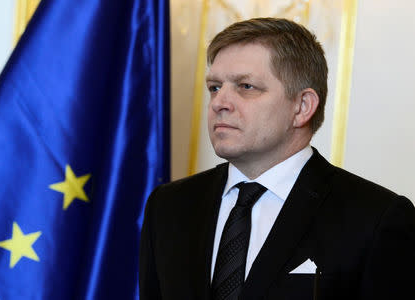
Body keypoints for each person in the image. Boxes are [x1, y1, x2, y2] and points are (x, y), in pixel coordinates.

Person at [139, 18, 415, 300]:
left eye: (246, 86)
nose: (220, 102)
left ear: (302, 106)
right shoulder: (168, 206)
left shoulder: (376, 218)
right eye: (214, 87)